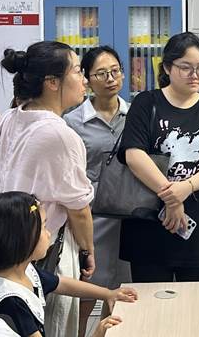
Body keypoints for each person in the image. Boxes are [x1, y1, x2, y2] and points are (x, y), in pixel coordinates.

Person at [0, 41, 94, 337]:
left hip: (9, 250)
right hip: (47, 248)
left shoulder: (11, 118)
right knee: (53, 326)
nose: (84, 79)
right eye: (77, 71)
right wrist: (88, 250)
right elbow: (78, 209)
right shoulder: (60, 135)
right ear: (52, 83)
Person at [119, 32, 199, 282]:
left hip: (198, 227)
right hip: (148, 225)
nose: (195, 75)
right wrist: (172, 198)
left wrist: (186, 187)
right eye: (186, 67)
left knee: (198, 301)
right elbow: (133, 154)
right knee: (151, 300)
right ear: (167, 67)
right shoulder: (146, 102)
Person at [0, 191, 136, 337]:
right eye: (43, 227)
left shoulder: (21, 271)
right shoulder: (12, 302)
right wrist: (97, 334)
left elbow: (60, 283)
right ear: (19, 240)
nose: (49, 233)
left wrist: (108, 294)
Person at [63, 46, 131, 337]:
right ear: (88, 79)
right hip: (92, 214)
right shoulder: (72, 121)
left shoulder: (136, 114)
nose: (110, 79)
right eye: (101, 73)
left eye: (115, 71)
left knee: (122, 293)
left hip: (129, 212)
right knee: (88, 291)